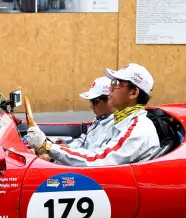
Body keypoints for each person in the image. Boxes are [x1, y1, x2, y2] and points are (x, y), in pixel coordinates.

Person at [25, 63, 160, 166]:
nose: (111, 87)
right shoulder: (121, 119)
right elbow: (92, 149)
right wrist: (57, 151)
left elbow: (97, 160)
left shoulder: (138, 129)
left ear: (133, 93)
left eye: (117, 83)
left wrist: (48, 147)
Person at [56, 76, 115, 150]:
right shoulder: (99, 119)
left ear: (110, 99)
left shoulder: (115, 127)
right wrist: (68, 146)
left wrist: (66, 151)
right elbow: (84, 141)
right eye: (91, 101)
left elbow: (94, 155)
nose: (91, 106)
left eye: (94, 101)